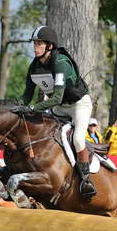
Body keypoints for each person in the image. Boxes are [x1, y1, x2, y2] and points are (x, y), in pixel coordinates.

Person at [15, 25, 95, 199]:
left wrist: (33, 109)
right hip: (58, 107)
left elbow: (57, 97)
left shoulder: (61, 64)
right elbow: (27, 95)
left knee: (78, 139)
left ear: (50, 46)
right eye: (34, 44)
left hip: (78, 106)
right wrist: (17, 106)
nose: (35, 47)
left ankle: (85, 180)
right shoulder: (34, 66)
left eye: (39, 43)